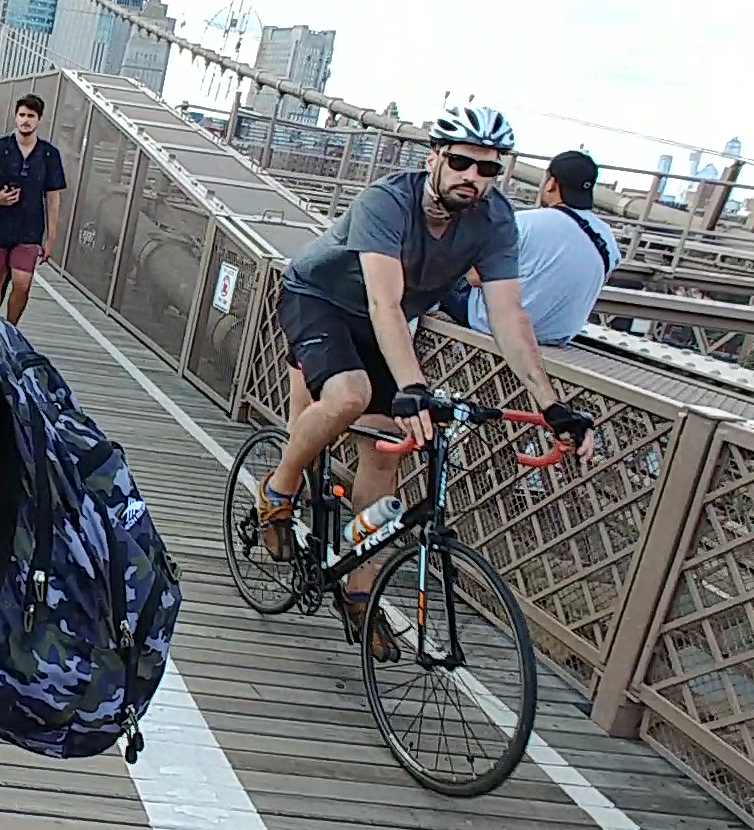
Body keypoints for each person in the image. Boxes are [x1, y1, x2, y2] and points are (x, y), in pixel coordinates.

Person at [256, 105, 597, 658]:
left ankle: (359, 593)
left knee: (387, 452)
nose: (474, 177)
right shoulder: (386, 202)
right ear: (434, 158)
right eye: (462, 162)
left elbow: (510, 317)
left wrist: (553, 406)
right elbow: (384, 300)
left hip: (381, 320)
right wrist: (412, 385)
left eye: (489, 169)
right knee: (351, 396)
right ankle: (277, 490)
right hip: (320, 301)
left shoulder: (496, 222)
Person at [440, 150, 622, 347]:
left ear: (552, 183)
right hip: (555, 336)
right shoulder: (608, 240)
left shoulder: (523, 223)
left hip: (492, 325)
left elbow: (475, 278)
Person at [0, 94, 65, 324]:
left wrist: (52, 237)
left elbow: (53, 197)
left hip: (29, 229)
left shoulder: (49, 155)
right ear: (15, 117)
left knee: (22, 283)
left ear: (39, 120)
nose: (25, 120)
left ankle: (10, 329)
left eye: (31, 116)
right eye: (22, 115)